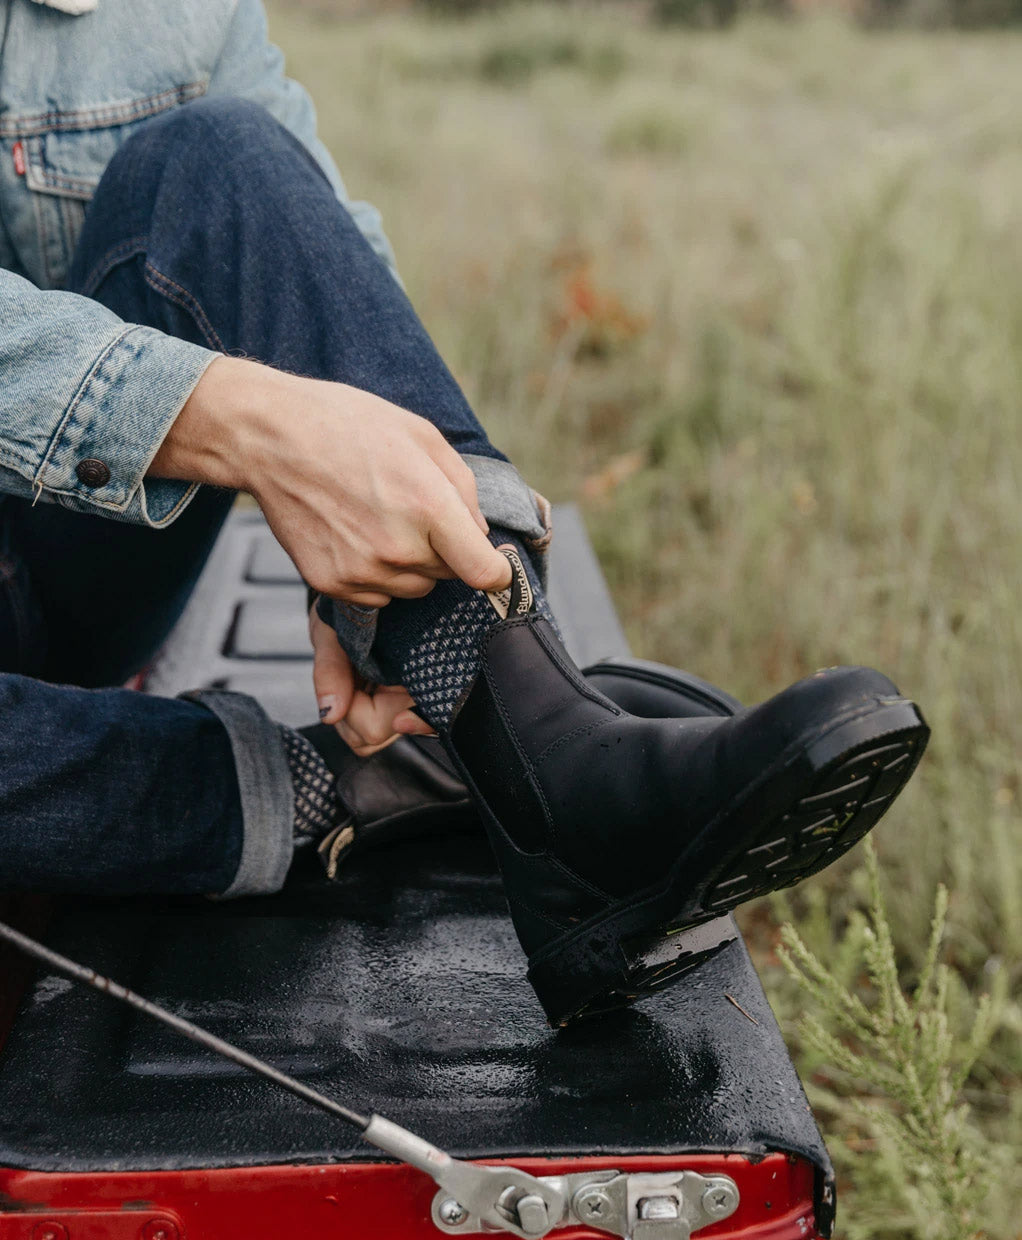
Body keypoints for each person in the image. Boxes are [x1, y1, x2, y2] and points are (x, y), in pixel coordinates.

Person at [0, 0, 928, 1024]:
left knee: (217, 154)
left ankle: (544, 751)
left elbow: (306, 241)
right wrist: (234, 419)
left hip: (53, 559)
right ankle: (343, 784)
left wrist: (361, 510)